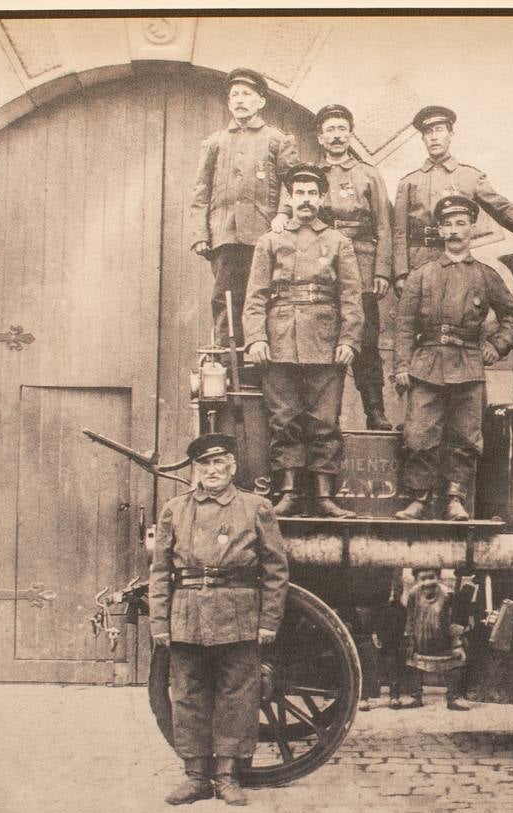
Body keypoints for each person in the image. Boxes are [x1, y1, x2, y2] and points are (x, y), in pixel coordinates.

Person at [148, 432, 288, 806]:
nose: (212, 470)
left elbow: (276, 569)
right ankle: (195, 776)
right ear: (196, 469)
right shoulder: (174, 510)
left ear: (233, 467)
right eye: (205, 464)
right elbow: (160, 571)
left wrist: (269, 620)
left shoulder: (255, 507)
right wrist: (159, 623)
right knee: (189, 695)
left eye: (219, 463)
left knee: (237, 696)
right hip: (187, 614)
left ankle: (227, 776)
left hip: (238, 614)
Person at [392, 195, 513, 521]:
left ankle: (455, 499)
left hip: (468, 364)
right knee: (420, 434)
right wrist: (402, 365)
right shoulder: (421, 274)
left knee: (466, 436)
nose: (454, 230)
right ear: (439, 229)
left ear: (472, 227)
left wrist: (497, 345)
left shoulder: (485, 275)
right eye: (447, 224)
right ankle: (419, 500)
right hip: (427, 364)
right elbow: (405, 325)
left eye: (461, 223)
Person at [244, 163, 364, 518]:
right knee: (284, 420)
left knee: (325, 421)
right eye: (300, 193)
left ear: (322, 197)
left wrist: (349, 340)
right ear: (289, 198)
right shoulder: (270, 241)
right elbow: (255, 296)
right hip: (279, 340)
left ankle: (325, 497)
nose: (307, 200)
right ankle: (290, 493)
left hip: (326, 343)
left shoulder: (338, 241)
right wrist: (255, 338)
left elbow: (351, 297)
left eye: (313, 193)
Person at [188, 67, 299, 349]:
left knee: (265, 298)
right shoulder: (215, 142)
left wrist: (283, 214)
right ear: (228, 102)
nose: (239, 100)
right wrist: (201, 234)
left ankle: (264, 370)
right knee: (225, 299)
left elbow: (293, 184)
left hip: (264, 236)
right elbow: (201, 190)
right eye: (234, 95)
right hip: (224, 236)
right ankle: (229, 366)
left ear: (260, 101)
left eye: (246, 94)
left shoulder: (277, 140)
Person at [391, 105, 513, 292]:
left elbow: (500, 207)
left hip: (458, 258)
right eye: (428, 132)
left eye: (439, 130)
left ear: (450, 134)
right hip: (419, 262)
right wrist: (400, 274)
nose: (434, 136)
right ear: (423, 139)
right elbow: (399, 233)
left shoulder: (469, 176)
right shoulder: (408, 182)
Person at [305, 104, 396, 430]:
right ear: (320, 137)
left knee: (365, 340)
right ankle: (327, 416)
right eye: (330, 129)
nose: (337, 135)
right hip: (325, 265)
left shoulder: (368, 174)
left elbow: (385, 226)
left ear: (350, 133)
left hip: (362, 265)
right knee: (328, 338)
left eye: (342, 128)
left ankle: (375, 411)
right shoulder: (312, 177)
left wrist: (382, 270)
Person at [402, 568, 470, 711]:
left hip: (443, 640)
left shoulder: (447, 594)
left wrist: (456, 642)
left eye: (431, 577)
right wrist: (410, 638)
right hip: (421, 640)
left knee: (455, 664)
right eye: (423, 579)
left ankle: (453, 698)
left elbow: (453, 619)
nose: (427, 583)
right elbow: (410, 616)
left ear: (438, 577)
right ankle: (416, 696)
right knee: (413, 664)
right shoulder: (414, 593)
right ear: (417, 579)